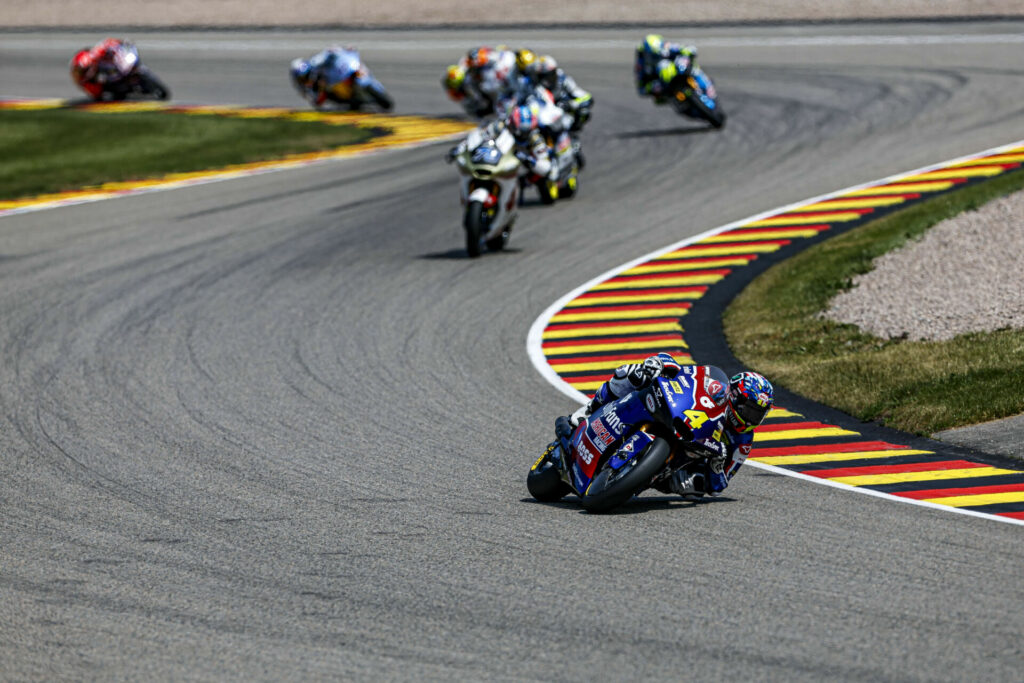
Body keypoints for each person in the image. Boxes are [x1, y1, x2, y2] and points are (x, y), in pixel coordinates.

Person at [562, 352, 774, 498]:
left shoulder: (743, 442)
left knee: (694, 488)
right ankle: (589, 409)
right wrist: (661, 363)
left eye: (758, 415)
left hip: (683, 464)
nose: (751, 419)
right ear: (735, 397)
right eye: (750, 411)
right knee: (631, 373)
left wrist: (717, 466)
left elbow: (719, 486)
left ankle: (636, 477)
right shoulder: (716, 386)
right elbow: (686, 374)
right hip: (679, 420)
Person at [634, 33, 698, 103]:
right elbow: (641, 89)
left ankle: (698, 81)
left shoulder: (667, 47)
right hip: (665, 87)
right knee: (659, 100)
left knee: (687, 62)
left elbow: (686, 49)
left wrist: (687, 51)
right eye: (652, 55)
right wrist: (651, 87)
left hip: (679, 71)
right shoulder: (641, 66)